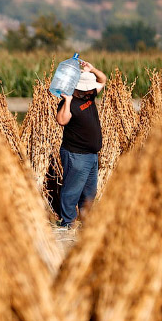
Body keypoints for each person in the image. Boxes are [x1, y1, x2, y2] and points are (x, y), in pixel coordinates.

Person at [54, 59, 107, 228]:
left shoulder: (89, 95)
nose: (91, 89)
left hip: (91, 155)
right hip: (76, 154)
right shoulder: (68, 103)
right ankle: (67, 223)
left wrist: (92, 69)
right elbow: (62, 121)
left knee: (89, 192)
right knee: (72, 190)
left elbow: (103, 80)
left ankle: (87, 222)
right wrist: (68, 100)